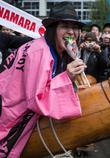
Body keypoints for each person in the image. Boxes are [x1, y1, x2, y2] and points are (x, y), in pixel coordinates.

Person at [0, 2, 86, 158]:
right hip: (10, 115)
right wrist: (67, 77)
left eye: (75, 27)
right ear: (53, 29)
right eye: (65, 26)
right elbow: (36, 100)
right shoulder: (40, 52)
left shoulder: (54, 49)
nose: (71, 32)